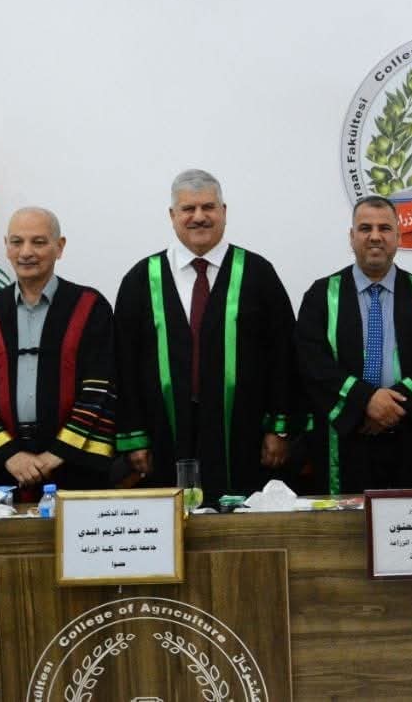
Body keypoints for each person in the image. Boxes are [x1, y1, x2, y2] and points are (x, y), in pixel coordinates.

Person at [114, 170, 296, 505]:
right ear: (172, 215)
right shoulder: (140, 280)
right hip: (164, 433)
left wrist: (279, 427)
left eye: (208, 207)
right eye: (188, 209)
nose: (199, 217)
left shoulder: (258, 274)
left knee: (239, 520)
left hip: (244, 431)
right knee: (173, 521)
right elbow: (125, 364)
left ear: (224, 211)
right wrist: (134, 438)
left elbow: (283, 354)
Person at [295, 196, 412, 493]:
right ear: (352, 237)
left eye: (384, 228)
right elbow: (312, 363)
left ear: (398, 236)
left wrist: (391, 406)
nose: (375, 236)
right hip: (346, 437)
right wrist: (365, 401)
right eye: (365, 228)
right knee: (350, 521)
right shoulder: (321, 295)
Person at [0, 207, 115, 497]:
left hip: (75, 465)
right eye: (17, 242)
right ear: (6, 246)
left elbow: (100, 388)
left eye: (38, 242)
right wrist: (10, 455)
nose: (26, 252)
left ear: (60, 247)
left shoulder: (91, 308)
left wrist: (57, 454)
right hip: (2, 468)